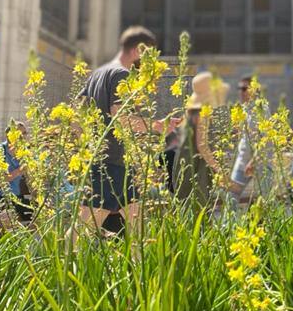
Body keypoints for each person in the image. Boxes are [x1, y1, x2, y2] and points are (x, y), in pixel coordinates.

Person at [77, 26, 178, 235]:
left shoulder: (98, 73)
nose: (148, 61)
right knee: (83, 230)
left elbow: (78, 115)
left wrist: (87, 148)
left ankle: (140, 267)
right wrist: (157, 126)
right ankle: (58, 265)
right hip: (110, 165)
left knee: (137, 228)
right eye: (148, 54)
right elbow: (121, 117)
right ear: (137, 51)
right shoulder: (122, 74)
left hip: (117, 163)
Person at [174, 71, 228, 205]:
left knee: (183, 207)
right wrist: (219, 169)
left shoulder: (190, 112)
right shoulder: (203, 113)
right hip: (196, 167)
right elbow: (202, 145)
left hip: (183, 163)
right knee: (198, 208)